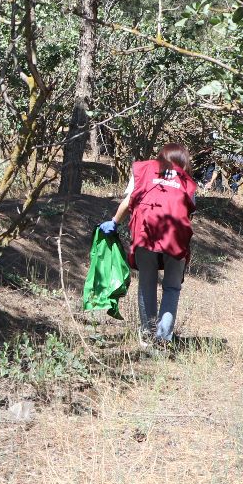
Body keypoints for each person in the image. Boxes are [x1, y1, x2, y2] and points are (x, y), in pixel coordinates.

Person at [99, 143, 197, 350]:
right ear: (183, 161)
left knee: (147, 284)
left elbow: (128, 202)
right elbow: (187, 214)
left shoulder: (143, 170)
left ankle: (147, 337)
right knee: (171, 287)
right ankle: (163, 339)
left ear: (160, 156)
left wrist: (114, 222)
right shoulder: (187, 182)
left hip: (146, 234)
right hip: (176, 238)